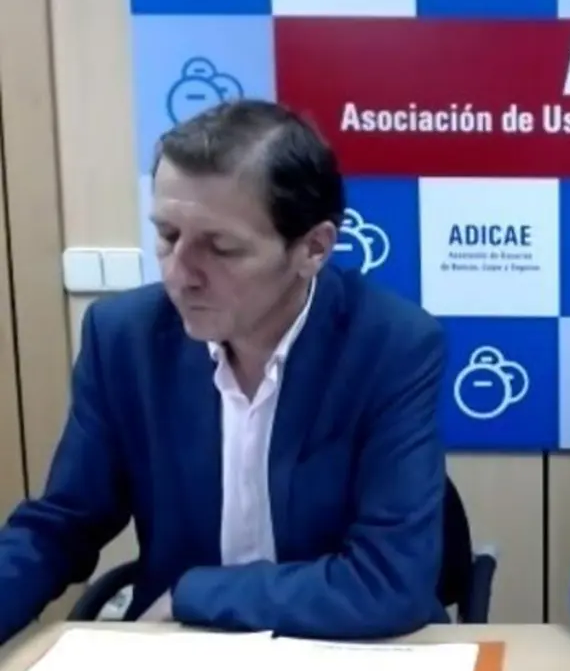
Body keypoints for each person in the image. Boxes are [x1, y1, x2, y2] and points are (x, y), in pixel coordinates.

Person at [0, 99, 451, 644]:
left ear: (313, 249)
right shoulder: (123, 338)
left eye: (220, 248)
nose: (180, 275)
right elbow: (60, 526)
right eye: (168, 236)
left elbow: (388, 581)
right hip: (181, 649)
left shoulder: (391, 345)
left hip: (342, 644)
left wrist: (195, 593)